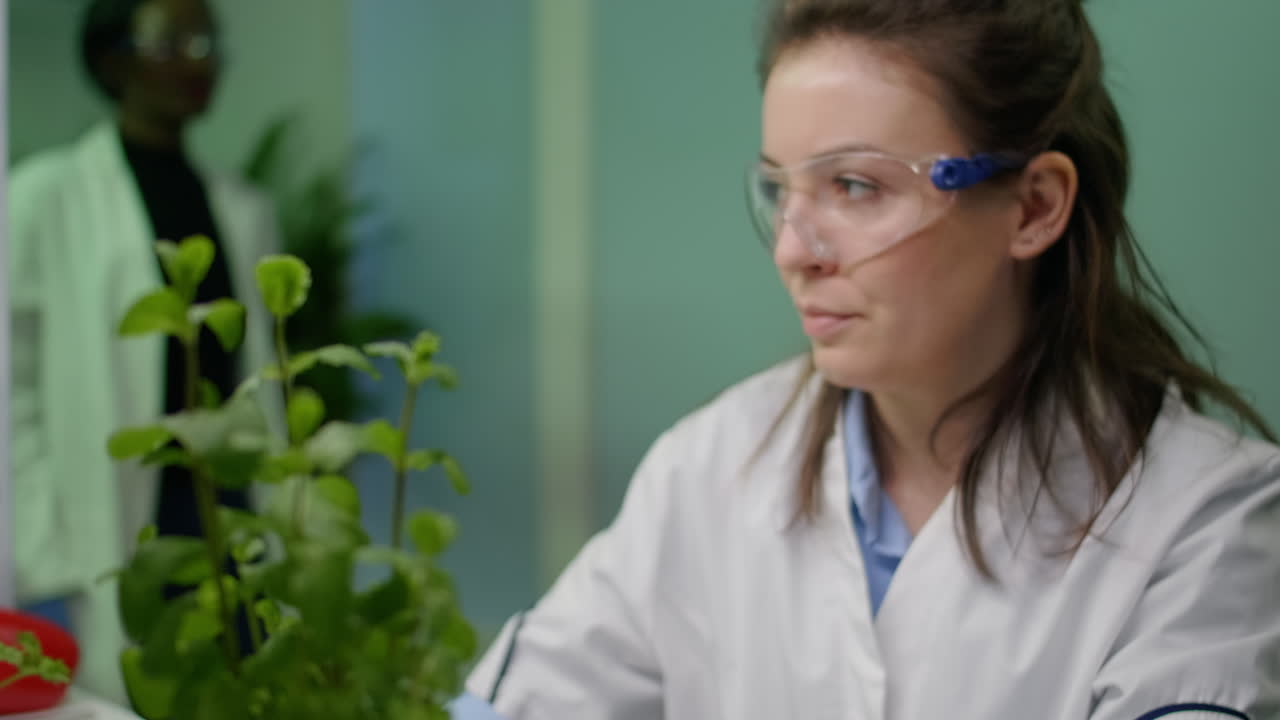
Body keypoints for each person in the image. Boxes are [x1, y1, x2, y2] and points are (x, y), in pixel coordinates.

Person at [451, 0, 1280, 718]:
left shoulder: (1206, 526)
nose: (792, 248)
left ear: (1033, 207)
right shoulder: (708, 474)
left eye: (854, 186)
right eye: (781, 188)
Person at [7, 0, 279, 701]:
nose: (199, 58)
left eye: (207, 40)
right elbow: (13, 391)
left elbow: (263, 387)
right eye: (172, 39)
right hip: (109, 521)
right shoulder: (41, 199)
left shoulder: (244, 210)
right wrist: (41, 559)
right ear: (111, 58)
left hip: (227, 514)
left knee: (239, 694)